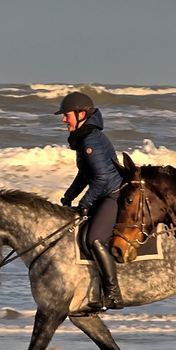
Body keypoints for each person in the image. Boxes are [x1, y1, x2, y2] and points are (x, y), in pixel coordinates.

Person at [57, 90, 123, 311]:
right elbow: (86, 174)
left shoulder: (91, 139)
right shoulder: (84, 137)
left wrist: (84, 204)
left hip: (113, 194)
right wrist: (69, 196)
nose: (64, 119)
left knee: (94, 239)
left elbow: (103, 178)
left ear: (81, 113)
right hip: (103, 193)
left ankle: (113, 294)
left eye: (67, 115)